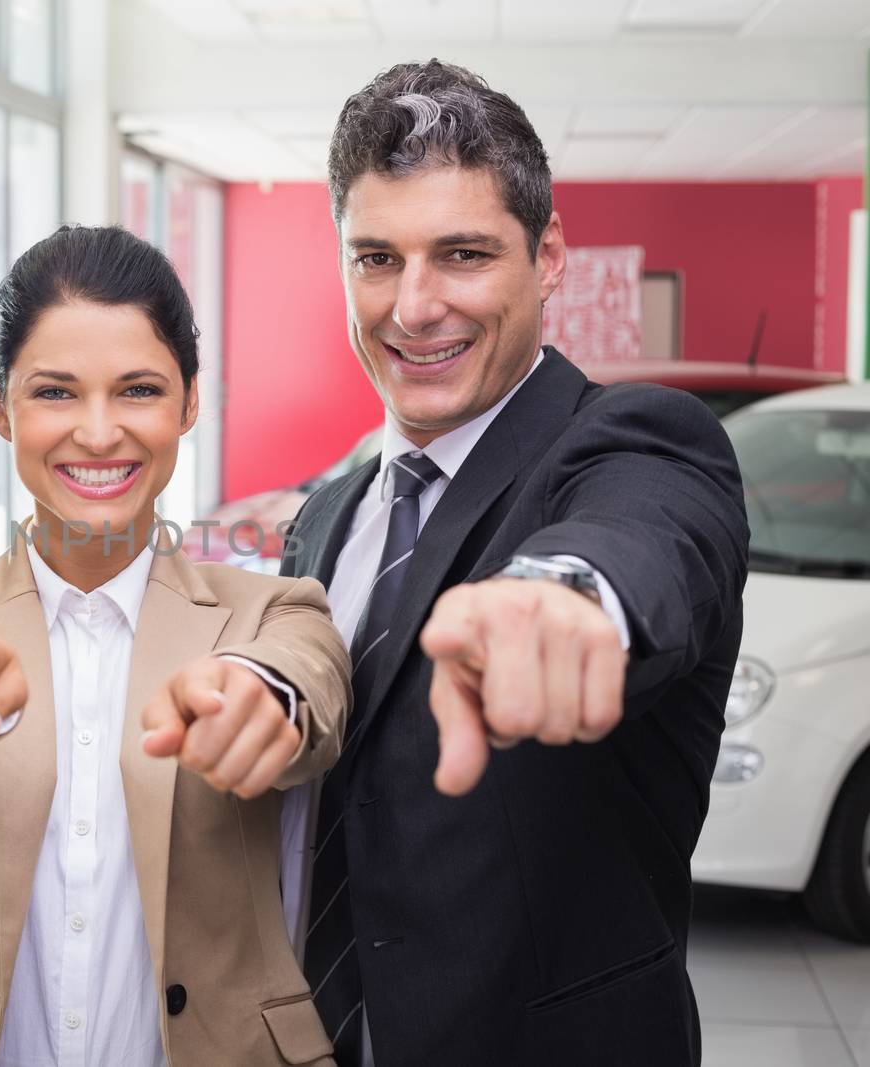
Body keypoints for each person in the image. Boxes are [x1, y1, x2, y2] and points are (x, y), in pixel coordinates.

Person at [278, 59, 749, 1066]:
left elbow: (641, 532)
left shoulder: (628, 443)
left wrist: (563, 594)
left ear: (548, 258)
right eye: (375, 258)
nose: (413, 305)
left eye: (461, 253)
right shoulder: (323, 518)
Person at [0, 225, 352, 1067]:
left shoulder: (273, 613)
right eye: (56, 393)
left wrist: (259, 695)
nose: (100, 432)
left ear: (188, 402)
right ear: (1, 407)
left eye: (139, 390)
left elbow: (307, 683)